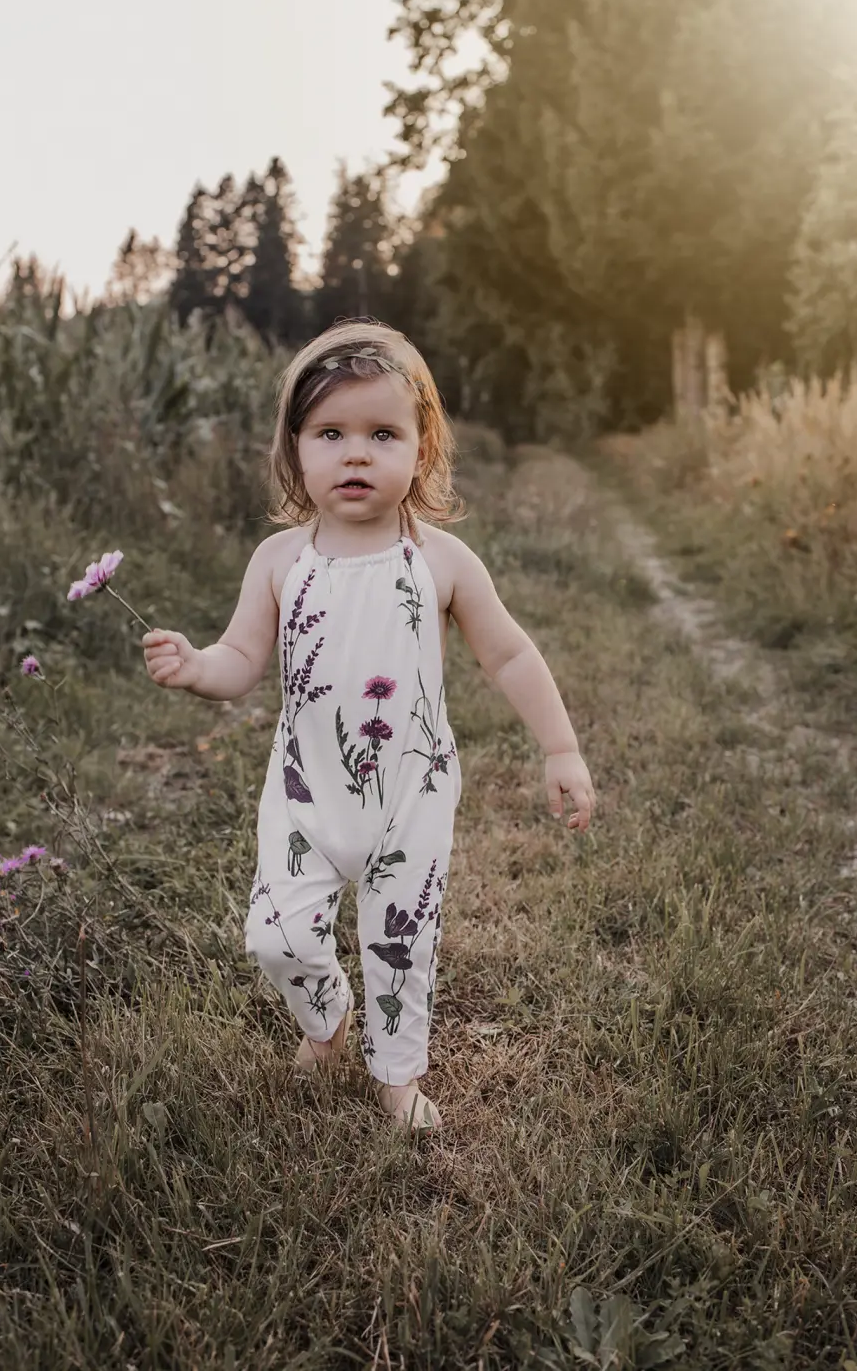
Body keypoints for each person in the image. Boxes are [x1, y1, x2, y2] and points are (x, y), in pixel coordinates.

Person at [142, 321, 596, 1132]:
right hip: (306, 795)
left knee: (400, 942)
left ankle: (396, 1075)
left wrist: (559, 747)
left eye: (381, 433)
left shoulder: (441, 561)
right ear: (296, 453)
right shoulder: (280, 560)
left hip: (409, 796)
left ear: (419, 452)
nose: (355, 453)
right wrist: (195, 667)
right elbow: (242, 657)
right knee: (275, 937)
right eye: (330, 434)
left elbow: (511, 657)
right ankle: (326, 1023)